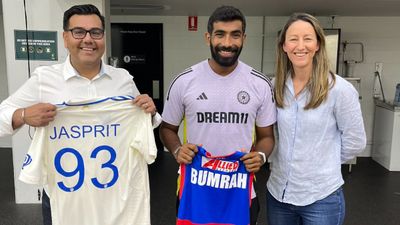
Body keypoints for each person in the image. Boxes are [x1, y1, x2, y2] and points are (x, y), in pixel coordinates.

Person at [0, 4, 161, 225]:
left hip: (116, 195)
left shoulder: (122, 79)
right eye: (79, 32)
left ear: (103, 37)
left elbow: (146, 125)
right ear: (65, 38)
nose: (88, 39)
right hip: (66, 197)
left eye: (96, 32)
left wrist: (149, 113)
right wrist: (24, 114)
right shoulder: (43, 79)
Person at [159, 5, 276, 225]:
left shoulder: (259, 84)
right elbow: (167, 129)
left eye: (235, 35)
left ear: (244, 38)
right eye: (220, 34)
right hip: (195, 186)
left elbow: (267, 136)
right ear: (208, 37)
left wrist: (260, 156)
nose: (227, 43)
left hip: (240, 189)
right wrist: (176, 150)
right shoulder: (184, 81)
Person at [266, 12, 367, 225]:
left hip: (321, 198)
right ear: (284, 46)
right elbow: (271, 132)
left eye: (308, 38)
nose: (300, 45)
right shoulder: (275, 86)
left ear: (318, 45)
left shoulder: (339, 89)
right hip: (278, 195)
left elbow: (355, 141)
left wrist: (323, 164)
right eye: (293, 39)